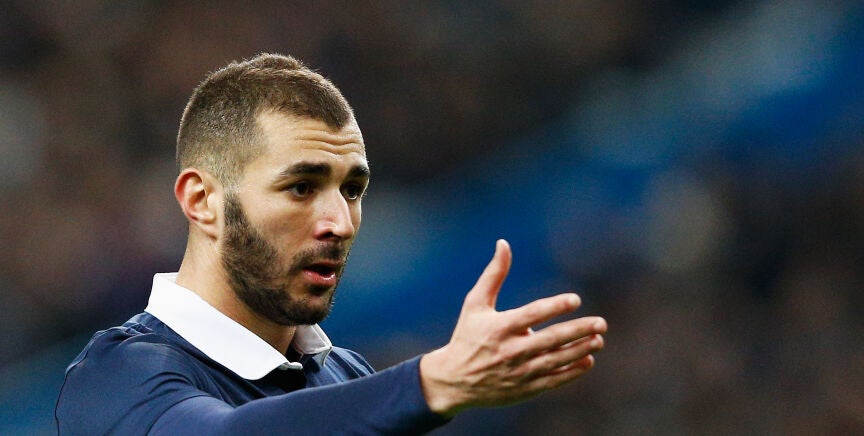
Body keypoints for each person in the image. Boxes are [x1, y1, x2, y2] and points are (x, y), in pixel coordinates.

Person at [55, 53, 607, 435]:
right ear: (203, 201)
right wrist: (433, 381)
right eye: (301, 187)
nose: (340, 222)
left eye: (353, 190)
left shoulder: (347, 376)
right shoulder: (115, 376)